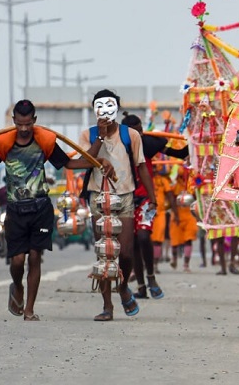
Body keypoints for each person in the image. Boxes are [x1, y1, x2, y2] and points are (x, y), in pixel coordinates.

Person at [0, 99, 112, 321]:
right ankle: (17, 286)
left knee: (35, 257)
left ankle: (29, 309)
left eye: (28, 124)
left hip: (40, 208)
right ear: (14, 121)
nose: (24, 129)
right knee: (17, 261)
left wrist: (99, 142)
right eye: (20, 124)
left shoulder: (45, 142)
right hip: (15, 210)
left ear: (34, 121)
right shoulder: (3, 144)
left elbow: (72, 164)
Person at [79, 89, 157, 321]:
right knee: (105, 254)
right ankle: (107, 306)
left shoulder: (130, 135)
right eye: (99, 107)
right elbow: (85, 161)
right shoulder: (88, 135)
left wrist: (152, 197)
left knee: (126, 253)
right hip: (98, 197)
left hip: (124, 197)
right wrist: (100, 137)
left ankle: (122, 288)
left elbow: (141, 165)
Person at [120, 112, 188, 299]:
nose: (140, 135)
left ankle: (151, 277)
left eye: (141, 130)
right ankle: (141, 286)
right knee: (131, 244)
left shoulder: (149, 144)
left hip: (145, 200)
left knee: (143, 236)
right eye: (136, 132)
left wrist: (195, 145)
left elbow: (178, 154)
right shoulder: (117, 148)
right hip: (125, 201)